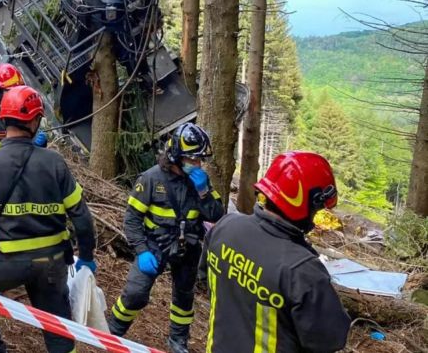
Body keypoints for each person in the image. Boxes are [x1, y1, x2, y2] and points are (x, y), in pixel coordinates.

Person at [0, 85, 96, 353]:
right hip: (52, 265)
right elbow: (82, 217)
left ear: (3, 119)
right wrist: (87, 256)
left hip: (4, 263)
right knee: (58, 330)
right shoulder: (55, 163)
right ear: (34, 121)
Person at [204, 151, 350, 352]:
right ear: (306, 204)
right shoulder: (303, 270)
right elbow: (330, 339)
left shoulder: (225, 227)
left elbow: (205, 276)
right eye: (317, 210)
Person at [108, 122, 224, 353]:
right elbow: (132, 219)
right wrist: (142, 251)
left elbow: (217, 215)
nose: (198, 164)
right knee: (135, 294)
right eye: (193, 159)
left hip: (188, 246)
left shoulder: (201, 182)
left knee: (184, 297)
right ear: (177, 156)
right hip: (154, 245)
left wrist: (204, 192)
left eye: (200, 159)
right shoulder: (151, 179)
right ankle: (112, 330)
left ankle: (177, 341)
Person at [0, 64, 47, 159]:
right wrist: (12, 149)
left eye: (17, 90)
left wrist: (37, 141)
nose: (15, 94)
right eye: (11, 91)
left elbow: (26, 139)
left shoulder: (21, 109)